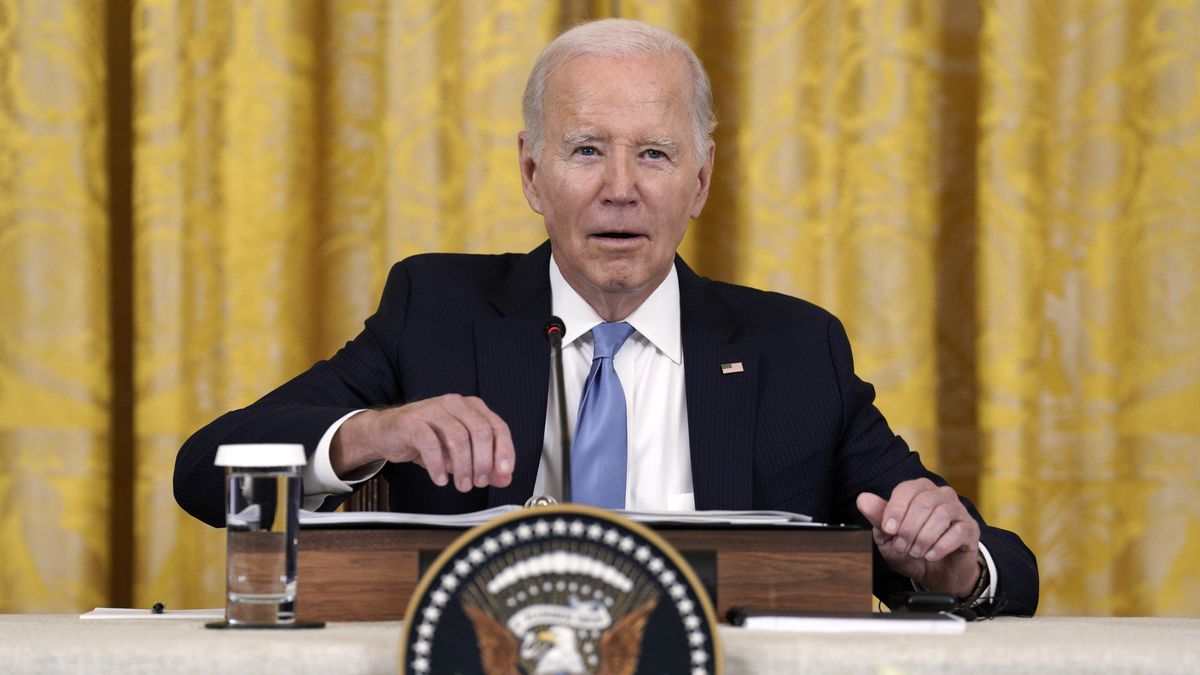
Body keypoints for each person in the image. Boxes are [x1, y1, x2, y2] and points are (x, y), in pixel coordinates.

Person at [174, 18, 1037, 615]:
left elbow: (998, 561)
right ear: (531, 173)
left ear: (698, 182)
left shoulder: (793, 348)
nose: (620, 188)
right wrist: (374, 433)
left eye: (654, 154)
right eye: (586, 149)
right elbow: (205, 467)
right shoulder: (435, 311)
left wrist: (954, 562)